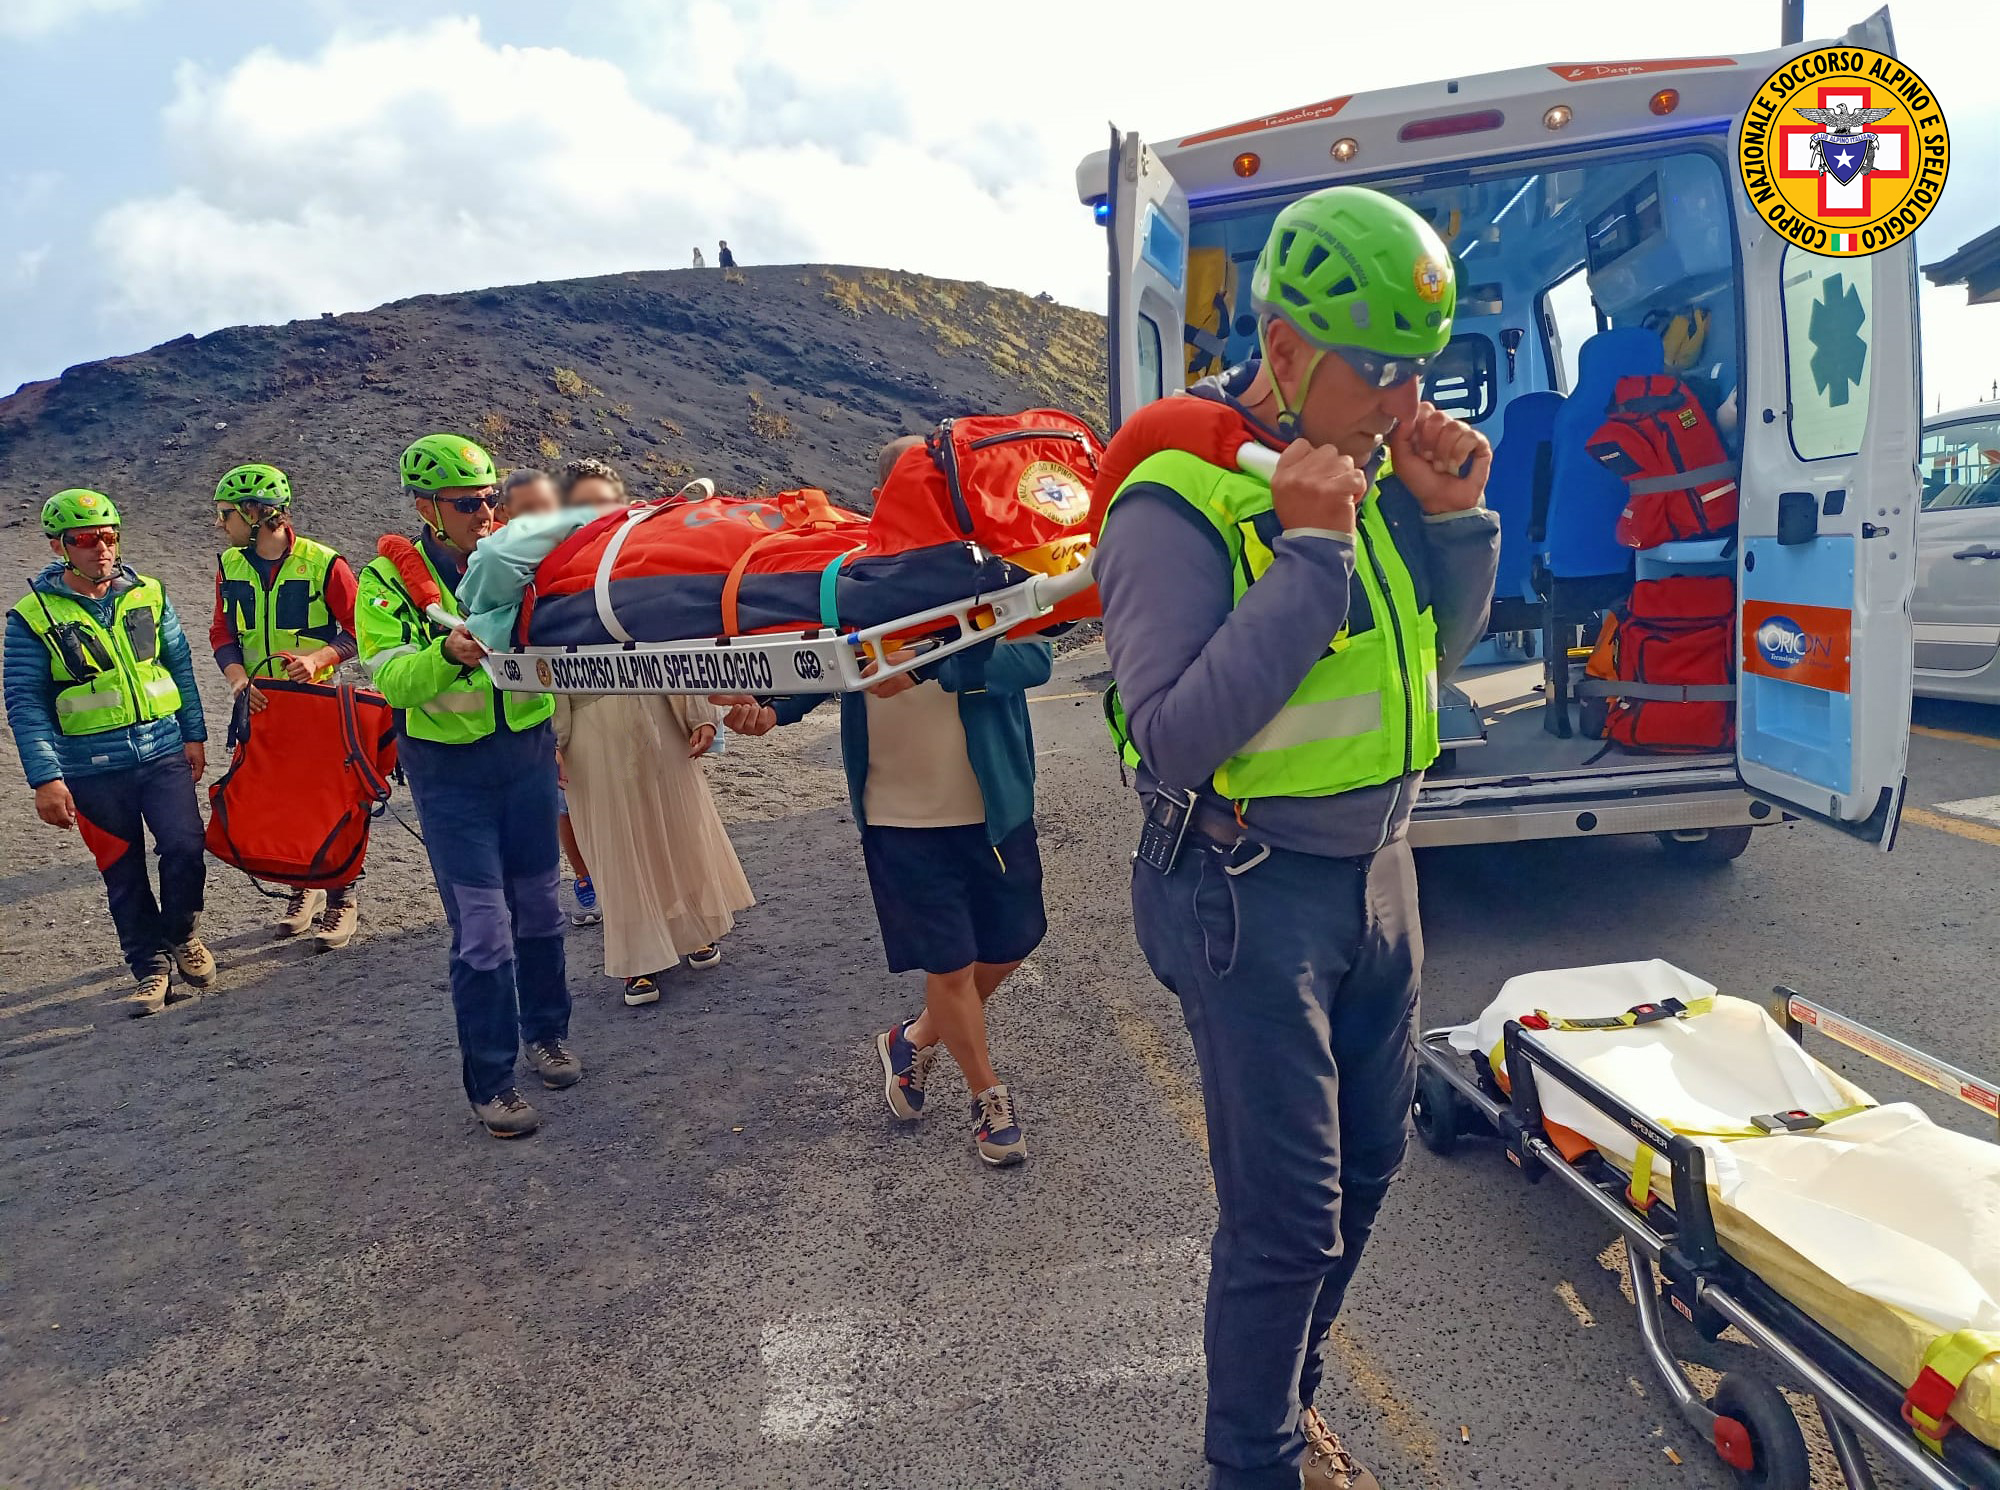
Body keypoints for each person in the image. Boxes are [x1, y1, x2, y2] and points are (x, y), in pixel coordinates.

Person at [1094, 186, 1499, 1490]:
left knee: (1371, 1168)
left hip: (1380, 873)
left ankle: (1285, 1405)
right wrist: (1313, 556)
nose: (1400, 400)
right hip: (1247, 892)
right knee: (1286, 1220)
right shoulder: (1181, 500)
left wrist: (1452, 519)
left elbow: (1445, 648)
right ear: (1282, 349)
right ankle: (1251, 1463)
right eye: (1375, 369)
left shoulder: (1361, 475)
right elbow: (1170, 734)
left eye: (1418, 369)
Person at [723, 438, 1050, 1168]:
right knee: (950, 962)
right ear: (890, 492)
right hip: (899, 811)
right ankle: (987, 1096)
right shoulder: (852, 577)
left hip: (992, 802)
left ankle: (916, 1039)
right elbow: (816, 661)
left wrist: (930, 668)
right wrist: (768, 710)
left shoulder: (994, 569)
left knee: (1015, 940)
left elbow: (1035, 656)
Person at [355, 434, 580, 1139]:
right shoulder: (383, 581)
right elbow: (390, 678)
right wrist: (446, 655)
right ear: (426, 507)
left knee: (541, 911)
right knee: (484, 931)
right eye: (467, 503)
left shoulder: (522, 555)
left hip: (526, 754)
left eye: (491, 499)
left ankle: (546, 1033)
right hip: (451, 775)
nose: (485, 512)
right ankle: (491, 1081)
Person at [5, 490, 215, 1016]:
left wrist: (194, 733)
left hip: (163, 750)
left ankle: (182, 933)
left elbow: (179, 665)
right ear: (59, 545)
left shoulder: (149, 592)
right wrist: (44, 779)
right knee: (122, 872)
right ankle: (149, 967)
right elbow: (25, 702)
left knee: (186, 848)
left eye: (108, 535)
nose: (100, 547)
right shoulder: (31, 616)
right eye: (84, 538)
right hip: (89, 768)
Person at [552, 455, 750, 1004]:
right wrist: (553, 739)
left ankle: (694, 929)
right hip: (590, 726)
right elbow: (537, 662)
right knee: (615, 844)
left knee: (676, 825)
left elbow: (672, 640)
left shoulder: (637, 562)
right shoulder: (546, 576)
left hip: (657, 713)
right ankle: (637, 960)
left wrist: (700, 714)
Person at [208, 462, 364, 947]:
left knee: (330, 800)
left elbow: (360, 629)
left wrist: (319, 656)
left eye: (227, 514)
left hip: (317, 706)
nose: (221, 523)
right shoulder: (229, 565)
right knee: (285, 802)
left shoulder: (325, 564)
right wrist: (237, 681)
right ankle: (305, 887)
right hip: (260, 706)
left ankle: (341, 897)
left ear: (257, 514)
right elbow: (222, 633)